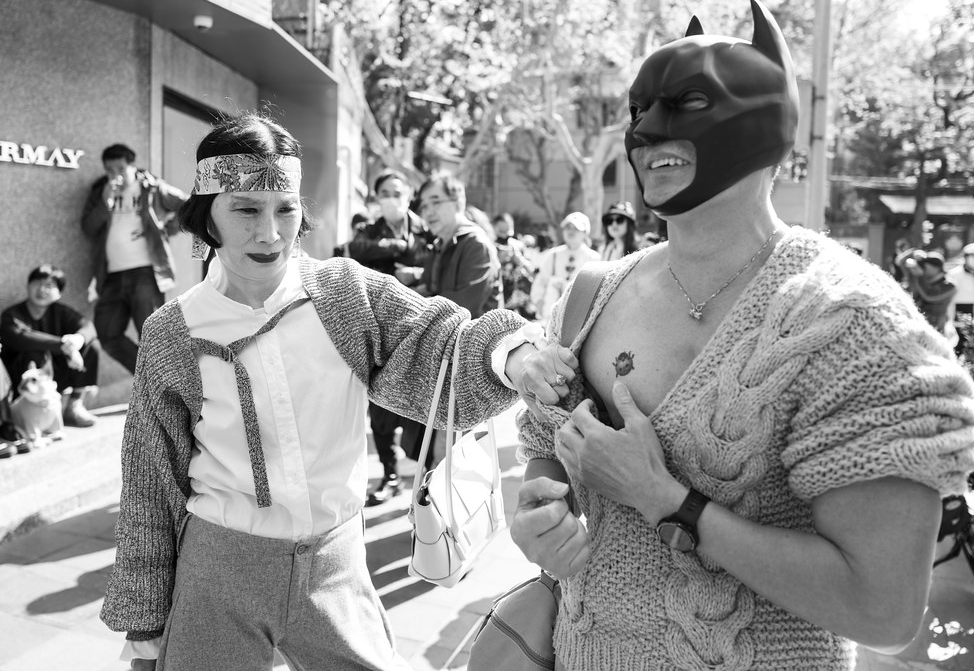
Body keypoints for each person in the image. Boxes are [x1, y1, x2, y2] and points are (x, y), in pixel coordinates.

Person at [508, 0, 974, 671]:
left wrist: (671, 503)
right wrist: (539, 508)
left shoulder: (850, 321)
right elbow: (544, 444)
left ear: (768, 120)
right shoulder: (594, 290)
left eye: (686, 103)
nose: (646, 130)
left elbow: (883, 610)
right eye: (639, 108)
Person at [99, 113, 570, 671]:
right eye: (246, 209)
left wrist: (513, 354)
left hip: (336, 566)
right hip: (218, 571)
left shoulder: (343, 295)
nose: (270, 232)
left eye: (285, 209)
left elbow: (442, 341)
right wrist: (147, 632)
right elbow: (151, 488)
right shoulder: (173, 333)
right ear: (207, 218)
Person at [346, 170, 431, 505]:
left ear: (408, 195)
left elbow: (436, 266)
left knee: (422, 407)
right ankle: (391, 474)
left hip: (420, 327)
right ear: (376, 198)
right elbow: (354, 251)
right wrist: (399, 247)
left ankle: (429, 477)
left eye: (398, 192)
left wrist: (418, 273)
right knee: (379, 411)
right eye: (385, 193)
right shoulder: (369, 231)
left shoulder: (426, 229)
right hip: (380, 330)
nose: (392, 198)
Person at [81, 143, 188, 374]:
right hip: (110, 274)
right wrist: (105, 202)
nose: (115, 175)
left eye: (120, 169)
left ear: (132, 166)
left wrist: (165, 228)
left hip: (146, 272)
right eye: (109, 170)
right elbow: (88, 228)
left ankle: (166, 396)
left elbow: (188, 206)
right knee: (107, 334)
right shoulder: (101, 190)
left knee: (152, 337)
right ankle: (149, 379)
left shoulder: (151, 187)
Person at [1, 264, 99, 427]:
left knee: (91, 345)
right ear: (27, 285)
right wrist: (63, 345)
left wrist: (76, 341)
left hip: (55, 378)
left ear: (59, 293)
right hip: (24, 382)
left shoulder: (61, 312)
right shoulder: (12, 314)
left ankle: (74, 406)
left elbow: (88, 327)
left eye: (49, 286)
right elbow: (21, 338)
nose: (42, 290)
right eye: (37, 283)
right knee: (34, 352)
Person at [397, 173, 504, 319]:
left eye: (436, 202)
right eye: (424, 206)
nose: (428, 212)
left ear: (458, 203)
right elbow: (429, 290)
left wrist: (412, 305)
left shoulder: (476, 245)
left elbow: (462, 308)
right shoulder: (438, 245)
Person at [530, 212, 600, 322]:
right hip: (552, 317)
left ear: (584, 233)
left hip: (579, 317)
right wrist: (539, 301)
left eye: (575, 228)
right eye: (567, 227)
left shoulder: (593, 258)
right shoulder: (553, 255)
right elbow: (540, 282)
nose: (570, 231)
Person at [897, 248, 957, 341]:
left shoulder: (949, 285)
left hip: (936, 330)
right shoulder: (922, 280)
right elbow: (901, 262)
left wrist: (920, 276)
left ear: (936, 267)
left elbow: (929, 296)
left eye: (924, 265)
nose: (922, 268)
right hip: (915, 325)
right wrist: (914, 253)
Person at [493, 212, 536, 319]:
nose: (504, 235)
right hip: (499, 295)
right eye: (500, 231)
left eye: (507, 231)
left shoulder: (518, 246)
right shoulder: (490, 246)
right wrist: (498, 259)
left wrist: (518, 259)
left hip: (521, 296)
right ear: (494, 228)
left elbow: (531, 269)